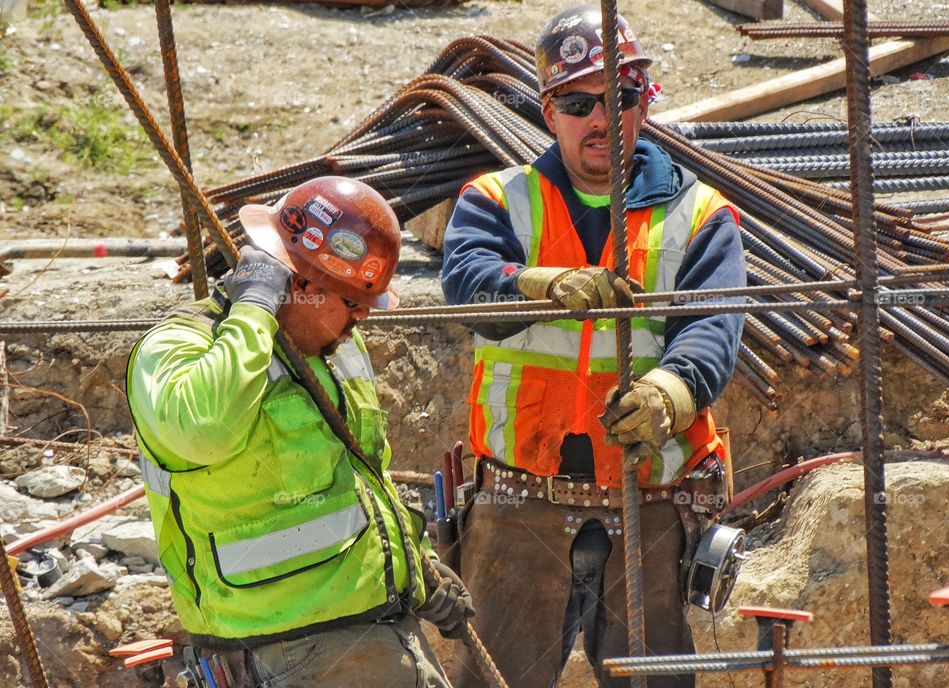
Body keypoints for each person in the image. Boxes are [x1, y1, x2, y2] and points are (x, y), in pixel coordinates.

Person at [441, 5, 746, 687]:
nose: (603, 119)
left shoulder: (700, 214)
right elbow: (465, 288)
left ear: (646, 101)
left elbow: (713, 326)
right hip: (519, 505)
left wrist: (669, 395)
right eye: (581, 102)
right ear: (549, 113)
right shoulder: (496, 200)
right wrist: (539, 283)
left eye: (623, 97)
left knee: (653, 680)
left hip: (650, 501)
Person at [127, 177, 473, 688]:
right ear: (301, 285)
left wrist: (413, 567)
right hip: (287, 653)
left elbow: (361, 479)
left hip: (382, 639)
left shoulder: (336, 352)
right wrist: (253, 310)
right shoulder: (179, 348)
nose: (360, 320)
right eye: (353, 302)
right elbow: (202, 430)